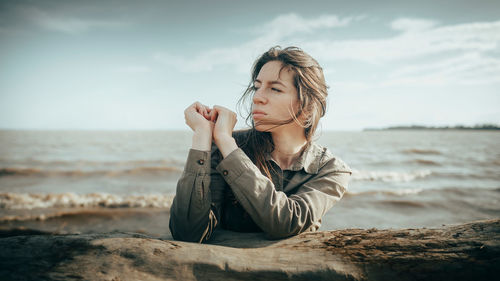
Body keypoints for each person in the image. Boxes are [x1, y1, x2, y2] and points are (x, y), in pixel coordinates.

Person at [169, 46, 352, 243]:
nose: (257, 97)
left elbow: (286, 222)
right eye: (257, 87)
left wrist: (227, 143)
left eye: (275, 89)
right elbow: (187, 233)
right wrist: (202, 137)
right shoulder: (226, 146)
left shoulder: (332, 170)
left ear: (307, 105)